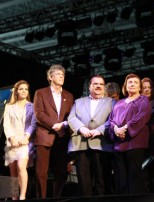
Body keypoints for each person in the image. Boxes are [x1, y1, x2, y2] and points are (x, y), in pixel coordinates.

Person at [68, 75, 116, 196]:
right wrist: (81, 128)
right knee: (84, 182)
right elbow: (71, 117)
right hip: (81, 144)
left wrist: (100, 130)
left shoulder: (111, 102)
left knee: (102, 180)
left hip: (101, 144)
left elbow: (114, 119)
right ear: (89, 86)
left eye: (101, 84)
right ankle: (14, 195)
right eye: (95, 84)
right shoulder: (79, 101)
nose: (98, 86)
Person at [33, 64, 74, 198]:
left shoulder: (69, 95)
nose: (62, 76)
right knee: (41, 172)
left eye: (63, 75)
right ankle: (42, 199)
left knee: (62, 172)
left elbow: (71, 116)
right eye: (58, 74)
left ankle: (57, 197)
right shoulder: (40, 92)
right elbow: (39, 113)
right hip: (45, 135)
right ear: (50, 77)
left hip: (62, 136)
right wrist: (54, 125)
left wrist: (63, 125)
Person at [109, 73, 151, 194]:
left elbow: (142, 117)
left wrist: (125, 128)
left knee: (135, 176)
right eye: (129, 82)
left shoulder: (143, 100)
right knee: (121, 177)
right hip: (119, 143)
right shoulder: (119, 103)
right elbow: (111, 120)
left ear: (140, 87)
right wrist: (116, 129)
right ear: (125, 86)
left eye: (135, 82)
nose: (132, 84)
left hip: (135, 142)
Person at [3, 80, 36, 200]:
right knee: (13, 173)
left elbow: (33, 124)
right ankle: (14, 197)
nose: (24, 91)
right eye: (21, 89)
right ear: (16, 91)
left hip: (24, 142)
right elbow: (6, 124)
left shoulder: (31, 106)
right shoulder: (9, 106)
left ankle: (22, 196)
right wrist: (11, 138)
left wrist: (26, 137)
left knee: (21, 167)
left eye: (26, 89)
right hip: (12, 142)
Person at [141, 77, 154, 192]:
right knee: (144, 172)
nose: (147, 90)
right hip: (141, 142)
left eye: (149, 87)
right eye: (144, 88)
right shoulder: (137, 104)